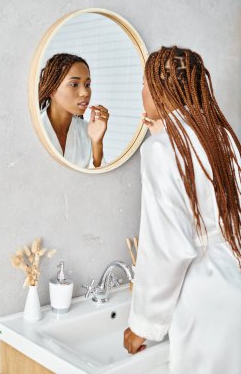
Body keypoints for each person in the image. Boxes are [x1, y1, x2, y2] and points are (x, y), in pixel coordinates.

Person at [123, 46, 241, 374]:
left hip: (205, 297)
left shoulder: (160, 151)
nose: (141, 92)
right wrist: (162, 133)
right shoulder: (221, 138)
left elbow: (168, 248)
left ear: (160, 90)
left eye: (144, 84)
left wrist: (142, 326)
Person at [38, 53, 109, 168]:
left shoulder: (88, 130)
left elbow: (97, 180)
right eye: (74, 84)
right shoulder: (35, 130)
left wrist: (97, 143)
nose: (85, 93)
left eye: (87, 84)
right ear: (52, 90)